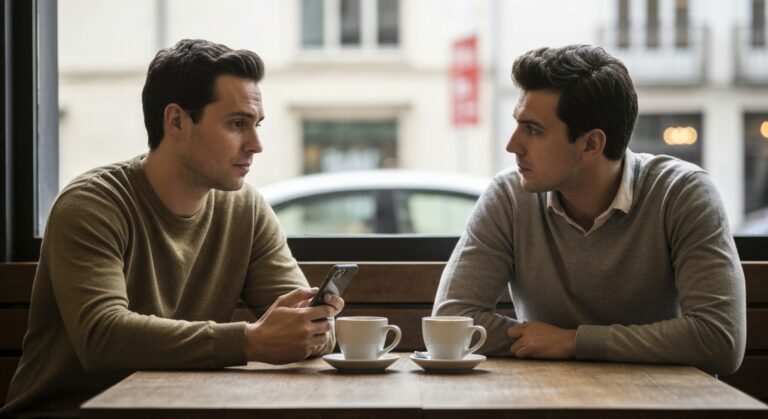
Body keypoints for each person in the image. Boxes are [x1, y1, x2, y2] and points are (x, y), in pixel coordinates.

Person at [1, 39, 343, 418]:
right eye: (237, 124)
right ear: (177, 121)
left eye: (256, 124)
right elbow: (103, 338)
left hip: (178, 408)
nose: (256, 144)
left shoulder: (245, 208)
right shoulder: (92, 205)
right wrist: (249, 341)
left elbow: (306, 326)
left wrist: (312, 327)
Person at [433, 44, 746, 376]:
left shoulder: (681, 193)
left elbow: (720, 339)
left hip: (664, 398)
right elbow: (452, 319)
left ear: (590, 144)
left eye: (533, 130)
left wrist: (573, 342)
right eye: (517, 124)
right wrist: (543, 342)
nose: (513, 145)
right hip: (548, 394)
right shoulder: (510, 197)